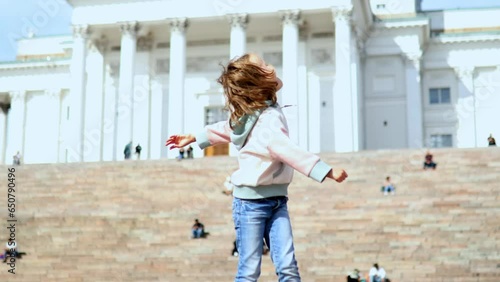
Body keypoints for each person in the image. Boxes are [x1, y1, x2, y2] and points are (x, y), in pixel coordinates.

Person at [166, 53, 348, 282]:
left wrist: (195, 136)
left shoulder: (260, 112)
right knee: (251, 270)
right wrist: (326, 171)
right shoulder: (265, 118)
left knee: (286, 266)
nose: (272, 66)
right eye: (265, 65)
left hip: (276, 201)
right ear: (257, 81)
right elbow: (286, 150)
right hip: (250, 205)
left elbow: (228, 128)